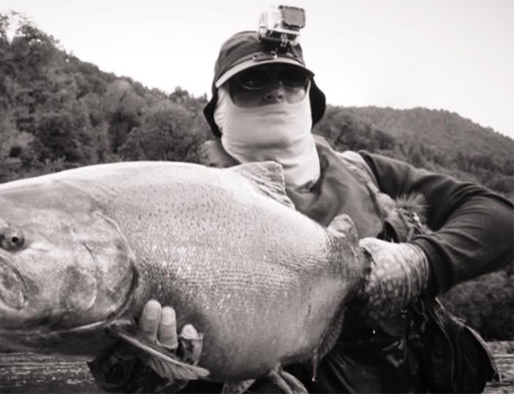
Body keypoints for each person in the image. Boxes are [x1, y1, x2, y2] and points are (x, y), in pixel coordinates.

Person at [88, 8, 514, 393]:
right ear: (219, 111)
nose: (276, 91)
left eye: (292, 80)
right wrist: (139, 366)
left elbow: (498, 217)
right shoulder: (182, 200)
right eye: (251, 83)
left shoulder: (369, 173)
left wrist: (422, 263)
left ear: (310, 98)